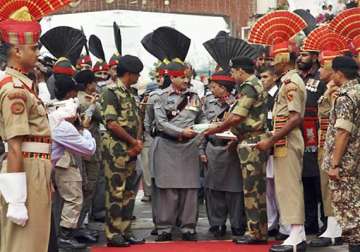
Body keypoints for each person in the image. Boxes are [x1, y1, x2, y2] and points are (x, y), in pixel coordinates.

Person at [0, 4, 67, 252]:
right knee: (24, 245)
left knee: (37, 242)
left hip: (34, 168)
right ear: (17, 51)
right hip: (25, 169)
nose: (38, 52)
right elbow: (15, 147)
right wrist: (17, 199)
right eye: (34, 47)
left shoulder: (24, 86)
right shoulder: (14, 90)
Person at [203, 56, 269, 244]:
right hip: (249, 139)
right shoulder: (253, 85)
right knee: (256, 188)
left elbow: (236, 117)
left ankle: (255, 232)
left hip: (252, 142)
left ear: (240, 70)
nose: (232, 76)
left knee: (251, 189)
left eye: (233, 72)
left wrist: (214, 129)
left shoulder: (249, 86)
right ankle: (259, 231)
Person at [256, 44, 307, 252]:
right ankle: (297, 234)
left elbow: (295, 118)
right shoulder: (287, 81)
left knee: (290, 188)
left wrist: (271, 139)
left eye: (274, 59)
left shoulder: (291, 82)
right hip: (282, 141)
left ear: (284, 59)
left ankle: (296, 235)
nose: (271, 64)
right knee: (284, 189)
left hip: (288, 141)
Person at [152, 60, 207, 242]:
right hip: (167, 146)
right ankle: (164, 228)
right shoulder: (159, 97)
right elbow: (160, 123)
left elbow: (202, 120)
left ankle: (188, 228)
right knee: (167, 189)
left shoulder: (194, 97)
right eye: (183, 77)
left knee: (190, 189)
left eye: (188, 76)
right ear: (172, 77)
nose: (186, 80)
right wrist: (181, 131)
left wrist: (201, 140)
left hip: (190, 146)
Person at [101, 55, 145, 247]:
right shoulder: (110, 92)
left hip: (132, 149)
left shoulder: (130, 93)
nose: (138, 78)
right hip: (117, 150)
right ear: (128, 74)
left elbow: (136, 119)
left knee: (129, 193)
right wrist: (133, 141)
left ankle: (125, 230)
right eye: (137, 74)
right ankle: (113, 234)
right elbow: (111, 123)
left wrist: (138, 141)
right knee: (115, 193)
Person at [321, 56, 360, 252]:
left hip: (346, 162)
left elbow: (343, 132)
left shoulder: (346, 97)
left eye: (333, 71)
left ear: (340, 73)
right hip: (356, 159)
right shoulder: (357, 91)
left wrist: (335, 164)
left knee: (350, 210)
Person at [202, 71, 245, 238]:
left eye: (215, 87)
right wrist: (201, 150)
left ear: (224, 88)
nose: (212, 90)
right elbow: (202, 126)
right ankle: (217, 224)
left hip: (231, 148)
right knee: (213, 189)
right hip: (213, 147)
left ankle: (237, 223)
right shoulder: (207, 102)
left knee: (234, 189)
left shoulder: (238, 102)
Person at [259, 66, 291, 240]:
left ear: (275, 77)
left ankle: (286, 226)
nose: (262, 80)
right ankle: (271, 223)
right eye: (260, 77)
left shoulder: (279, 94)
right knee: (269, 189)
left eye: (265, 76)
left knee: (281, 188)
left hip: (279, 143)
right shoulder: (261, 96)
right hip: (265, 145)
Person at [297, 49, 326, 235]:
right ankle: (310, 221)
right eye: (299, 54)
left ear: (315, 57)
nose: (300, 58)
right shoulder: (298, 78)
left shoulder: (322, 78)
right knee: (305, 178)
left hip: (317, 133)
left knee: (319, 181)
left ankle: (326, 222)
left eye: (305, 54)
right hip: (300, 133)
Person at [75, 69, 103, 241]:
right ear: (88, 85)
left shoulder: (77, 98)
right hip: (89, 152)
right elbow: (102, 115)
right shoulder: (86, 101)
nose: (96, 85)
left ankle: (78, 226)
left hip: (79, 151)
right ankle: (77, 227)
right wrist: (96, 104)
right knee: (87, 190)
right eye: (94, 82)